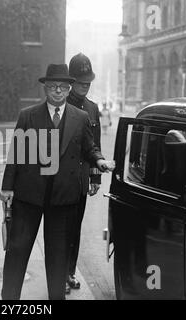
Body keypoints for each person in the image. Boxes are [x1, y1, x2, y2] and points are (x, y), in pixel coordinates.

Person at [0, 64, 114, 300]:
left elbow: (89, 147)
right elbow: (16, 154)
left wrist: (99, 161)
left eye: (63, 87)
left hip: (63, 197)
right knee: (17, 251)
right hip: (28, 195)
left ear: (69, 88)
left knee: (58, 256)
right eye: (53, 86)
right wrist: (7, 187)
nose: (58, 91)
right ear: (45, 88)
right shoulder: (28, 116)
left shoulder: (80, 117)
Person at [65, 53, 102, 293]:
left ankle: (69, 272)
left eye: (88, 83)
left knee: (75, 228)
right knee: (59, 228)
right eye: (81, 83)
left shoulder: (92, 108)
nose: (85, 87)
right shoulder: (61, 103)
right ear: (71, 82)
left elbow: (95, 144)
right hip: (59, 178)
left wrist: (95, 177)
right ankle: (57, 273)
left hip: (80, 179)